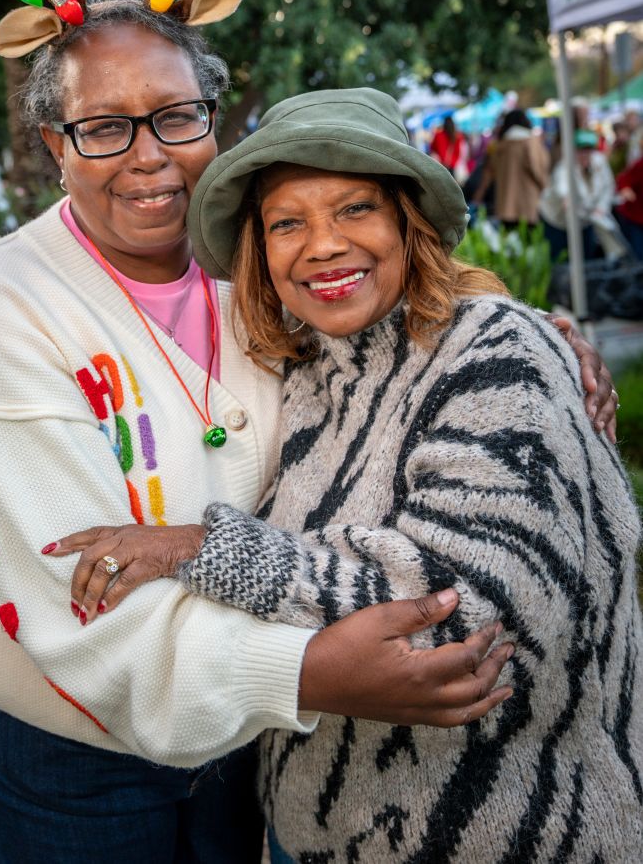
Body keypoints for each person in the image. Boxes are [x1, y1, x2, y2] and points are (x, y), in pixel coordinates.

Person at [0, 0, 535, 863]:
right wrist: (309, 672)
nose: (149, 156)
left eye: (176, 117)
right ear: (53, 145)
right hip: (75, 741)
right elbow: (74, 583)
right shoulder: (3, 303)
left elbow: (402, 305)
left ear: (214, 119)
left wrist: (527, 331)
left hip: (249, 726)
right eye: (103, 128)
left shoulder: (257, 260)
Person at [58, 89, 641, 863]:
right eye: (287, 223)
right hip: (319, 837)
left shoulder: (497, 354)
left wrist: (198, 549)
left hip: (505, 833)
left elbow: (466, 616)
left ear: (409, 221)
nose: (322, 244)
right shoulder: (301, 372)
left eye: (355, 209)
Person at [539, 128, 628, 261]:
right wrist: (566, 198)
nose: (585, 154)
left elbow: (607, 187)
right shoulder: (564, 168)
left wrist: (601, 208)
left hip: (585, 220)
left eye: (588, 149)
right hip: (557, 221)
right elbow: (562, 186)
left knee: (587, 256)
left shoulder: (600, 162)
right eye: (580, 150)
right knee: (560, 258)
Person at [484, 108, 550, 229]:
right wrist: (545, 187)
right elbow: (538, 169)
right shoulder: (531, 142)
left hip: (505, 205)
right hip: (529, 205)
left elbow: (491, 171)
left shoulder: (499, 145)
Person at [429, 114, 469, 182]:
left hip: (440, 166)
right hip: (452, 167)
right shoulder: (458, 137)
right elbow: (459, 153)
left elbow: (432, 149)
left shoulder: (438, 135)